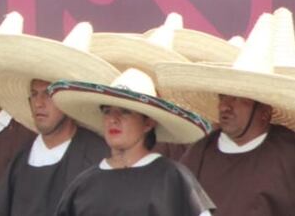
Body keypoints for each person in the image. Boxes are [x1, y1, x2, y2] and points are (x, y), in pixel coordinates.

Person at [156, 11, 295, 215]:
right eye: (223, 97)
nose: (225, 106)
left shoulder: (288, 153)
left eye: (239, 99)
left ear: (264, 111)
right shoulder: (200, 152)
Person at [0, 22, 118, 216]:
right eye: (34, 94)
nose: (39, 103)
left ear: (68, 100)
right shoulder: (21, 158)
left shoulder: (99, 155)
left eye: (48, 94)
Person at [50, 69, 214, 216]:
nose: (113, 119)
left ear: (148, 123)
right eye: (107, 111)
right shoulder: (83, 184)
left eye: (125, 112)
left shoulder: (172, 177)